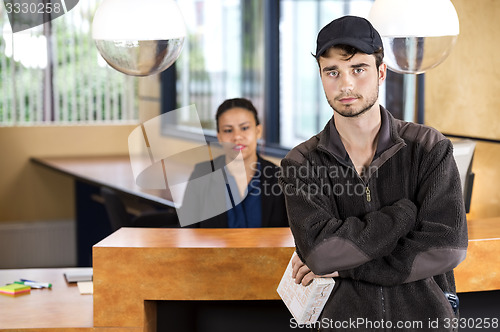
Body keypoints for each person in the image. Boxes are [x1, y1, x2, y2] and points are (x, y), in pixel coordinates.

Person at [279, 16, 468, 331]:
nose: (346, 84)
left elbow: (447, 246)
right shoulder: (300, 163)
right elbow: (322, 255)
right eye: (332, 72)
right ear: (321, 76)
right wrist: (403, 214)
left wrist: (349, 267)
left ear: (381, 72)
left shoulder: (429, 147)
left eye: (358, 69)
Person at [181, 97, 288, 228]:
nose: (237, 136)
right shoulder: (202, 174)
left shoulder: (279, 177)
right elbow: (186, 233)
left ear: (258, 131)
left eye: (244, 128)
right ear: (219, 137)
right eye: (228, 130)